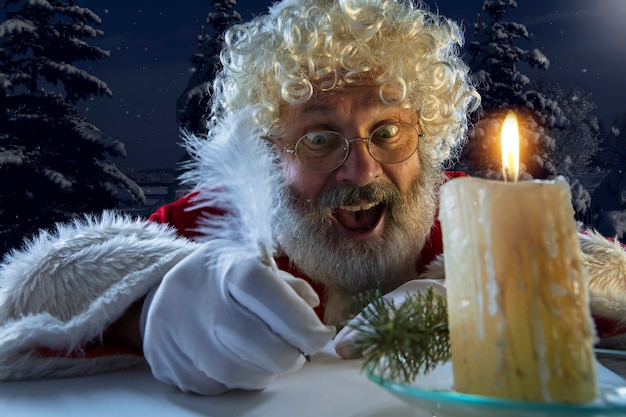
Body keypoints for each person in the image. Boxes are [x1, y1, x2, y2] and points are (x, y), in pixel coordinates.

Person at [1, 0, 626, 395]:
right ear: (268, 157)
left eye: (388, 131)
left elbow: (611, 281)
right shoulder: (217, 225)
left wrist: (496, 298)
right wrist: (144, 311)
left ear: (426, 137)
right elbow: (26, 296)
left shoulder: (479, 219)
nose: (360, 171)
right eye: (320, 137)